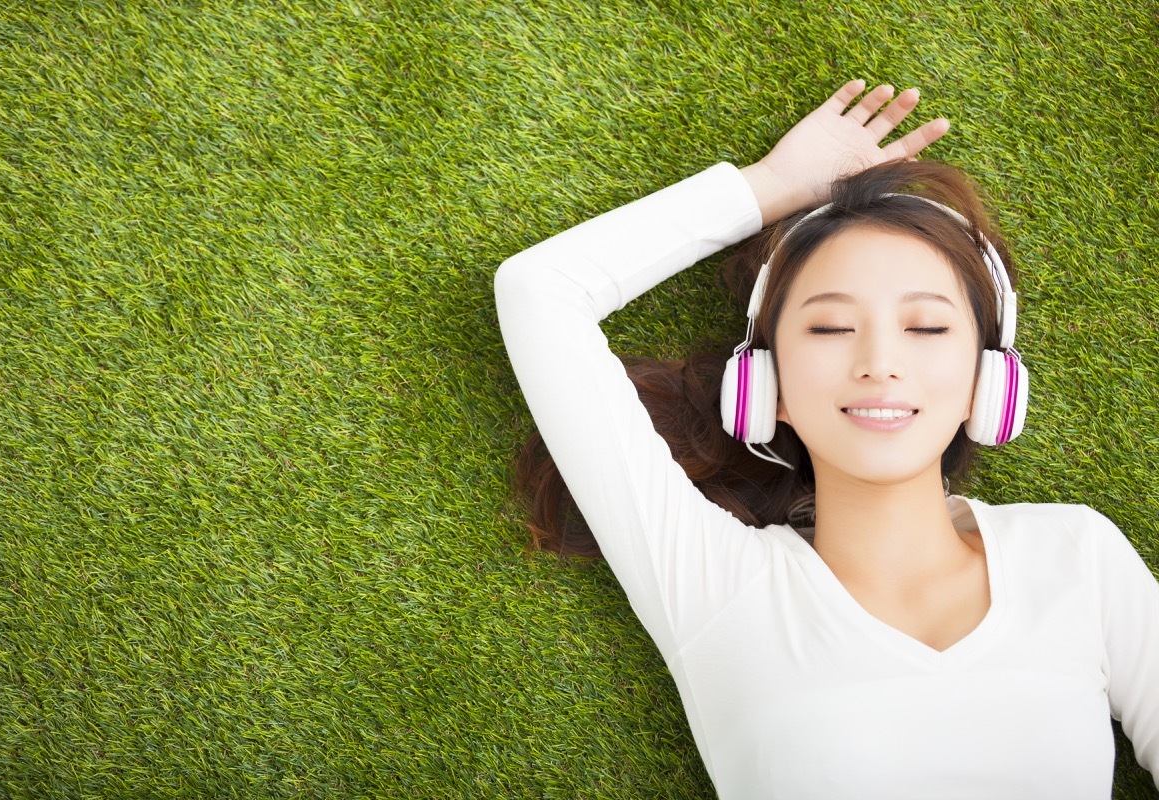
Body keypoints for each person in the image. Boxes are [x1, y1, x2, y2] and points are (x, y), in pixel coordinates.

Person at [495, 79, 1159, 798]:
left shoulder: (1078, 558)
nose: (879, 360)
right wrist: (771, 186)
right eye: (830, 327)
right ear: (762, 385)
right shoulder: (715, 585)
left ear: (989, 381)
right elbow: (541, 292)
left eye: (928, 327)